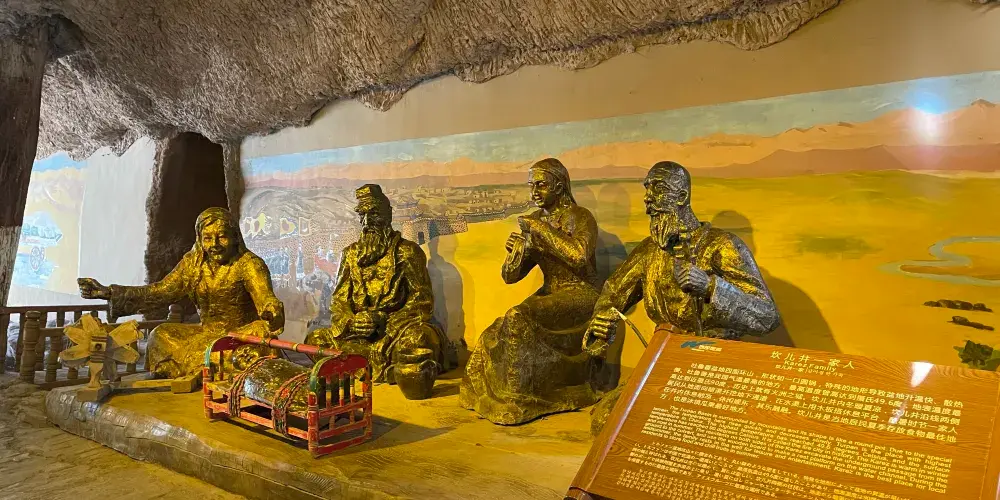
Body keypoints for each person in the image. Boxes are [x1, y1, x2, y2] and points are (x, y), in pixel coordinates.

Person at [583, 161, 781, 434]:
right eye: (647, 189)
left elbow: (767, 315)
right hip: (665, 360)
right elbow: (612, 294)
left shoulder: (722, 245)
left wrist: (711, 287)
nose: (648, 199)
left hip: (716, 366)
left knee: (689, 428)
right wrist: (601, 320)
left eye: (658, 189)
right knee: (609, 421)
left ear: (682, 196)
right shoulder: (648, 251)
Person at [460, 158, 617, 425]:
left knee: (517, 316)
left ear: (559, 186)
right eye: (531, 185)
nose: (534, 192)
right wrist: (516, 253)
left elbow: (579, 256)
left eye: (541, 185)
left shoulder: (580, 217)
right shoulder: (535, 220)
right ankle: (499, 394)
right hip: (552, 292)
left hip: (583, 293)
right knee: (498, 329)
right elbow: (511, 277)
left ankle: (520, 397)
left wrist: (540, 230)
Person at [78, 207, 284, 379]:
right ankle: (201, 367)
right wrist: (109, 292)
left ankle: (205, 367)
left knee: (252, 338)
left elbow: (266, 299)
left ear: (235, 237)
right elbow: (161, 292)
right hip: (207, 333)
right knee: (160, 335)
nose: (214, 245)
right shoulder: (192, 264)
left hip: (238, 335)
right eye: (208, 238)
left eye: (222, 237)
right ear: (200, 240)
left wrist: (271, 311)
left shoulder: (249, 264)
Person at [304, 184, 455, 400]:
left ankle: (375, 366)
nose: (367, 222)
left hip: (396, 332)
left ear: (388, 215)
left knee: (418, 339)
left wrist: (384, 321)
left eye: (374, 214)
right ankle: (377, 367)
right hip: (358, 335)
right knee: (315, 339)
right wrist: (351, 322)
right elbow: (339, 301)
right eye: (362, 215)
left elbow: (421, 302)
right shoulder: (351, 254)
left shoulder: (408, 252)